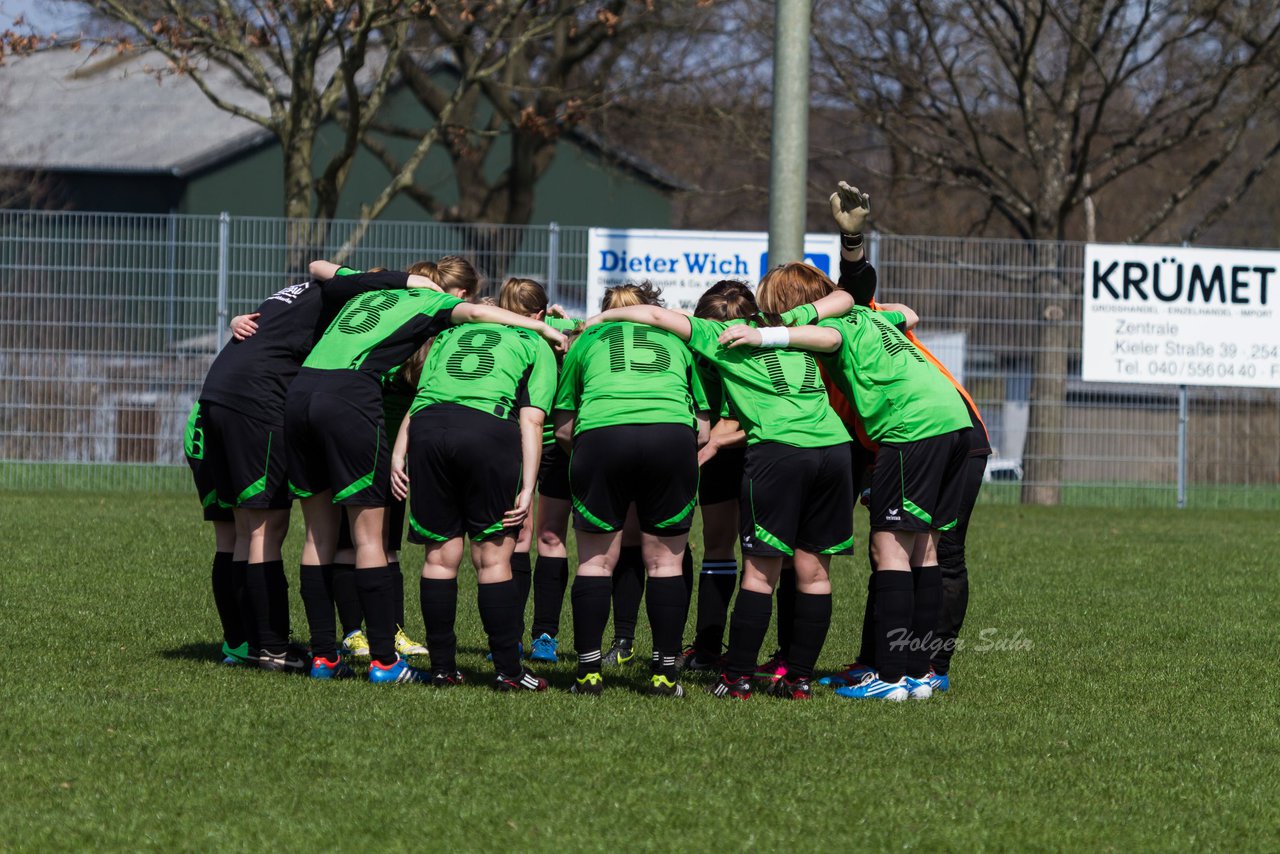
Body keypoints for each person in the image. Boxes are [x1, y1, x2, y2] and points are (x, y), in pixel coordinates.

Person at [285, 257, 567, 685]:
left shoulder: (374, 291)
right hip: (361, 400)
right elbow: (530, 417)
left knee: (322, 536)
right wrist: (544, 330)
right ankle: (396, 663)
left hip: (304, 392)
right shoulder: (440, 309)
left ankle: (337, 657)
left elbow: (319, 266)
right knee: (387, 541)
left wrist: (400, 452)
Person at [584, 277, 855, 700]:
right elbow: (845, 299)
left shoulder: (718, 339)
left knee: (759, 569)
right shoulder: (783, 328)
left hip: (778, 451)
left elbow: (656, 315)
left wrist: (599, 319)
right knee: (814, 571)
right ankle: (797, 676)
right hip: (834, 449)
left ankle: (739, 676)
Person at [719, 254, 972, 702]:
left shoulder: (836, 328)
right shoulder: (871, 316)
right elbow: (910, 314)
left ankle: (890, 678)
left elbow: (822, 333)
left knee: (889, 548)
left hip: (909, 427)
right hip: (954, 418)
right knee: (926, 549)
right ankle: (919, 673)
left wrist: (764, 334)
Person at [192, 262, 430, 675]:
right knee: (267, 528)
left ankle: (246, 641)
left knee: (242, 530)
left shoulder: (297, 294)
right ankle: (272, 648)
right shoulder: (339, 293)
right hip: (257, 400)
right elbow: (342, 276)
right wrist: (412, 282)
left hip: (215, 397)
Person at [389, 276, 559, 692]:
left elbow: (423, 396)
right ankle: (509, 671)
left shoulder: (454, 331)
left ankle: (444, 669)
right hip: (486, 429)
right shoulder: (534, 341)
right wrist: (528, 486)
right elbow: (532, 420)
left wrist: (398, 453)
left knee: (439, 558)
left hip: (428, 433)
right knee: (493, 560)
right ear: (535, 315)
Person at [555, 282, 710, 697]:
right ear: (652, 308)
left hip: (603, 435)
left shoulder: (587, 337)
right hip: (671, 436)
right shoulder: (676, 338)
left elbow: (564, 426)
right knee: (665, 564)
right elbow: (704, 428)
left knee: (594, 563)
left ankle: (588, 673)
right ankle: (663, 674)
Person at [679, 281, 754, 672]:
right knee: (725, 546)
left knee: (736, 550)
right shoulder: (757, 340)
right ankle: (710, 648)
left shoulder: (704, 343)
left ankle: (721, 651)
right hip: (735, 450)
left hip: (746, 450)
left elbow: (735, 417)